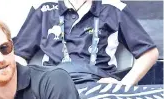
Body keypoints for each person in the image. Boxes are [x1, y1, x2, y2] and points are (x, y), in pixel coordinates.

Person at [13, 0, 159, 86]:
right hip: (53, 84)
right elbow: (18, 56)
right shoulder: (44, 8)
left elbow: (150, 53)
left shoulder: (113, 8)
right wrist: (30, 85)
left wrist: (123, 85)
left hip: (98, 83)